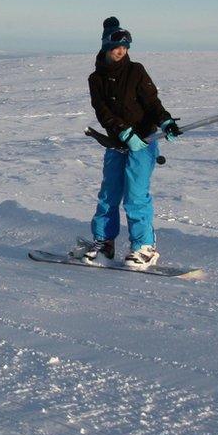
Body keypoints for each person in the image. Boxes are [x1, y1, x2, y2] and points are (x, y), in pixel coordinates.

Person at [73, 17, 180, 268]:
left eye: (125, 47)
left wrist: (165, 123)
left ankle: (144, 247)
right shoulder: (96, 79)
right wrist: (122, 133)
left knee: (135, 195)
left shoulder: (136, 70)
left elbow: (152, 103)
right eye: (116, 46)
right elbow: (103, 112)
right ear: (105, 47)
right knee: (109, 195)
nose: (121, 51)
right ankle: (104, 243)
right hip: (116, 142)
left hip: (143, 141)